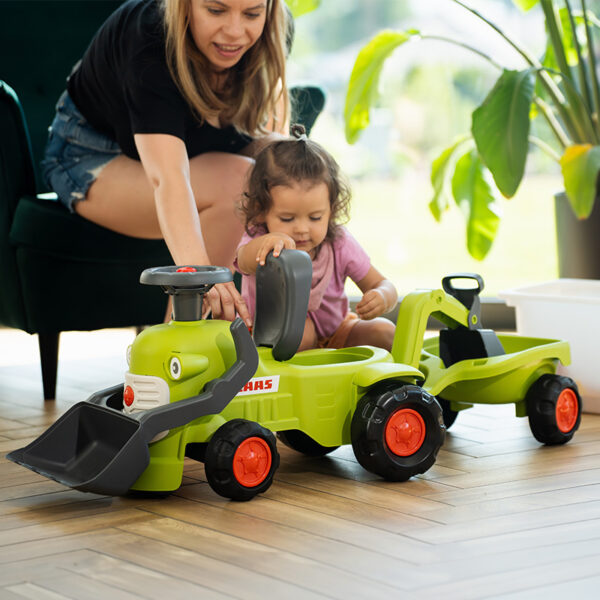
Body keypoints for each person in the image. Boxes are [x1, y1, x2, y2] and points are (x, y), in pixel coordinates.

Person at [41, 0, 291, 326]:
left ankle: (307, 330)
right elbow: (168, 177)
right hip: (88, 157)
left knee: (285, 167)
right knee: (239, 182)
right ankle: (178, 349)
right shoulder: (149, 35)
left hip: (190, 151)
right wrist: (205, 276)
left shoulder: (274, 29)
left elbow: (264, 135)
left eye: (252, 14)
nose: (234, 31)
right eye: (216, 10)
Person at [235, 125, 398, 352]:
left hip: (337, 332)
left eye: (315, 217)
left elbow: (382, 283)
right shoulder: (260, 237)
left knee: (385, 332)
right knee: (302, 332)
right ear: (261, 209)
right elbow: (243, 260)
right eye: (287, 218)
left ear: (331, 209)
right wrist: (266, 245)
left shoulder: (338, 242)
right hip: (271, 341)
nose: (302, 229)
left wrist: (381, 297)